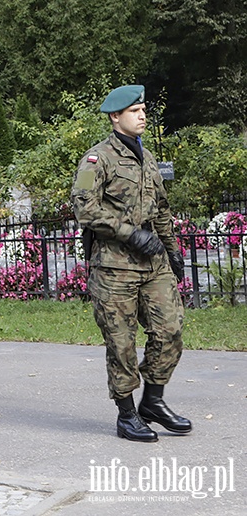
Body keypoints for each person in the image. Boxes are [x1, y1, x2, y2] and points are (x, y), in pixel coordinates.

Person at [71, 84, 191, 443]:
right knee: (121, 343)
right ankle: (126, 414)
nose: (142, 115)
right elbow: (83, 206)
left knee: (170, 330)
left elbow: (162, 209)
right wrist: (129, 233)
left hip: (153, 264)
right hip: (114, 267)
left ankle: (153, 401)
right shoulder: (95, 160)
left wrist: (172, 250)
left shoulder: (148, 158)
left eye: (143, 109)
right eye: (134, 110)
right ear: (115, 117)